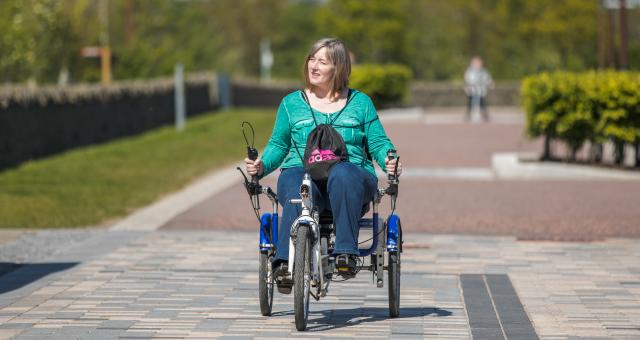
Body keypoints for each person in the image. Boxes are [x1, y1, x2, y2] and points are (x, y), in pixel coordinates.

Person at [244, 38, 402, 288]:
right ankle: (284, 264)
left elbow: (379, 143)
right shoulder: (291, 104)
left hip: (350, 178)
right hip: (302, 172)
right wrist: (262, 166)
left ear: (338, 68)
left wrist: (388, 159)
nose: (313, 66)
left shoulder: (360, 103)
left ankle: (345, 253)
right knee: (298, 183)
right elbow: (278, 145)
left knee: (343, 173)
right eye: (311, 59)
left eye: (322, 61)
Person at [464, 56, 493, 122]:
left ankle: (485, 114)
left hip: (481, 91)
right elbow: (468, 79)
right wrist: (472, 83)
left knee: (482, 103)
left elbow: (487, 79)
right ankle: (468, 114)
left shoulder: (483, 71)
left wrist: (489, 83)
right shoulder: (470, 71)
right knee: (470, 103)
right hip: (472, 90)